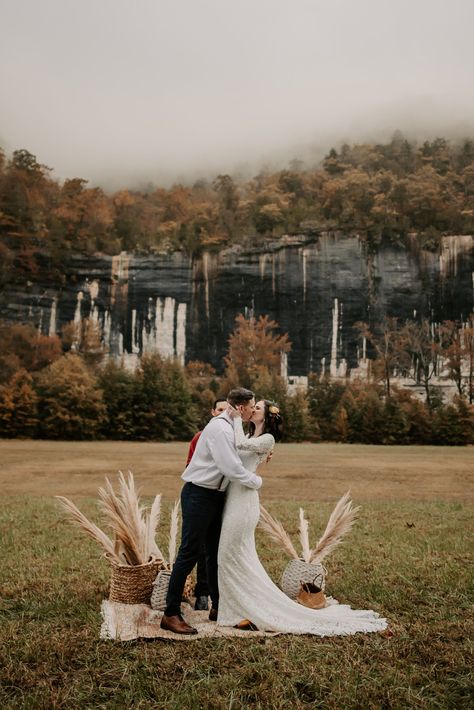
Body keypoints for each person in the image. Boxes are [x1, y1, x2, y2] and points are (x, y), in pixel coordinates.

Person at [217, 399, 388, 636]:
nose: (252, 409)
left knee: (228, 552)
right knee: (232, 554)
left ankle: (238, 609)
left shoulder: (267, 439)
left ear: (266, 417)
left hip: (244, 501)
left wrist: (235, 418)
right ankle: (234, 608)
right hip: (234, 497)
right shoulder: (251, 434)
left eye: (257, 408)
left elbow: (240, 445)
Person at [160, 387, 262, 635]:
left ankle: (218, 607)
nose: (252, 410)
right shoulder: (219, 428)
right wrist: (258, 482)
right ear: (241, 408)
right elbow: (232, 468)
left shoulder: (231, 426)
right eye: (251, 406)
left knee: (216, 552)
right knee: (189, 553)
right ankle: (170, 613)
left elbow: (239, 452)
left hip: (215, 496)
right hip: (199, 495)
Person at [185, 398, 228, 611]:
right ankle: (202, 593)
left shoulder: (232, 435)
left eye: (226, 409)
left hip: (225, 498)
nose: (222, 412)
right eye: (219, 409)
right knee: (200, 546)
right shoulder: (200, 437)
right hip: (202, 495)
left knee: (218, 547)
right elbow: (192, 468)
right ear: (213, 412)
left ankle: (220, 596)